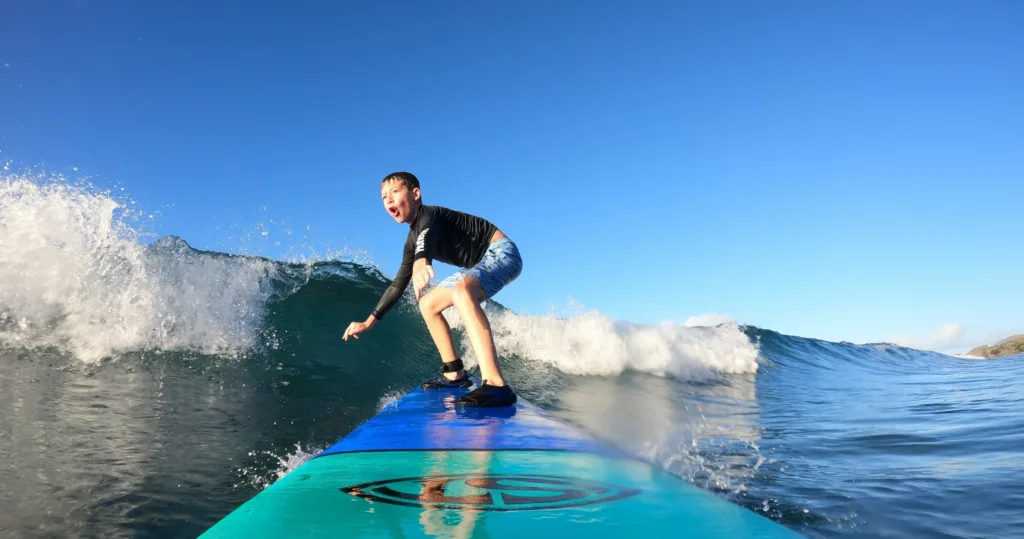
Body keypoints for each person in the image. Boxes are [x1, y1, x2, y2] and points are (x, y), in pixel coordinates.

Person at [342, 172, 522, 407]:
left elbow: (427, 232)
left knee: (461, 292)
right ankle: (454, 374)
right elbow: (398, 284)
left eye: (394, 192)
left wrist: (422, 260)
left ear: (416, 193)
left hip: (500, 251)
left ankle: (497, 385)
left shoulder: (429, 214)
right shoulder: (411, 242)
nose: (388, 200)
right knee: (428, 304)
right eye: (384, 197)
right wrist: (368, 322)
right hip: (476, 265)